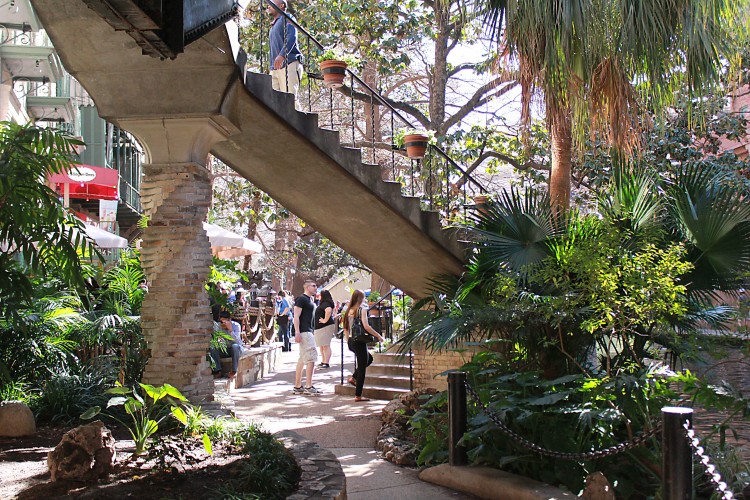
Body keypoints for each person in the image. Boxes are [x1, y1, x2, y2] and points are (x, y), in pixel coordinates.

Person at [343, 290, 384, 402]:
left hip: (352, 340)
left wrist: (348, 341)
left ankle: (353, 377)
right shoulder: (362, 310)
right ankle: (358, 395)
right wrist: (378, 335)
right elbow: (366, 326)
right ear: (361, 299)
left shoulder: (348, 311)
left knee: (368, 359)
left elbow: (345, 328)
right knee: (362, 368)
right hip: (360, 341)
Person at [267, 0, 303, 98]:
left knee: (290, 101)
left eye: (272, 3)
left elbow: (291, 37)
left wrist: (282, 55)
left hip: (289, 63)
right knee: (274, 103)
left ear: (282, 5)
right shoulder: (274, 25)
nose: (268, 5)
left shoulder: (287, 18)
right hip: (275, 69)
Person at [292, 280, 320, 395]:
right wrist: (297, 332)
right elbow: (296, 316)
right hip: (305, 331)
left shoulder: (311, 300)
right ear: (307, 287)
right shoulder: (301, 299)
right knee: (311, 358)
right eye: (313, 286)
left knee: (302, 359)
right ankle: (308, 386)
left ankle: (298, 386)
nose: (315, 287)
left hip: (309, 330)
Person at [210, 311, 245, 380]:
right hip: (223, 349)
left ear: (229, 320)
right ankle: (217, 370)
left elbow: (238, 342)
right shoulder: (218, 326)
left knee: (235, 346)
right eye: (222, 321)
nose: (223, 324)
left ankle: (234, 371)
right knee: (213, 347)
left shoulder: (236, 326)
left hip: (234, 349)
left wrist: (230, 330)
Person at [314, 289, 336, 369]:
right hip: (321, 327)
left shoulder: (326, 303)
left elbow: (328, 311)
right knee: (322, 345)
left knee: (326, 345)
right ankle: (323, 361)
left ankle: (326, 362)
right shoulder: (323, 303)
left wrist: (325, 320)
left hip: (326, 327)